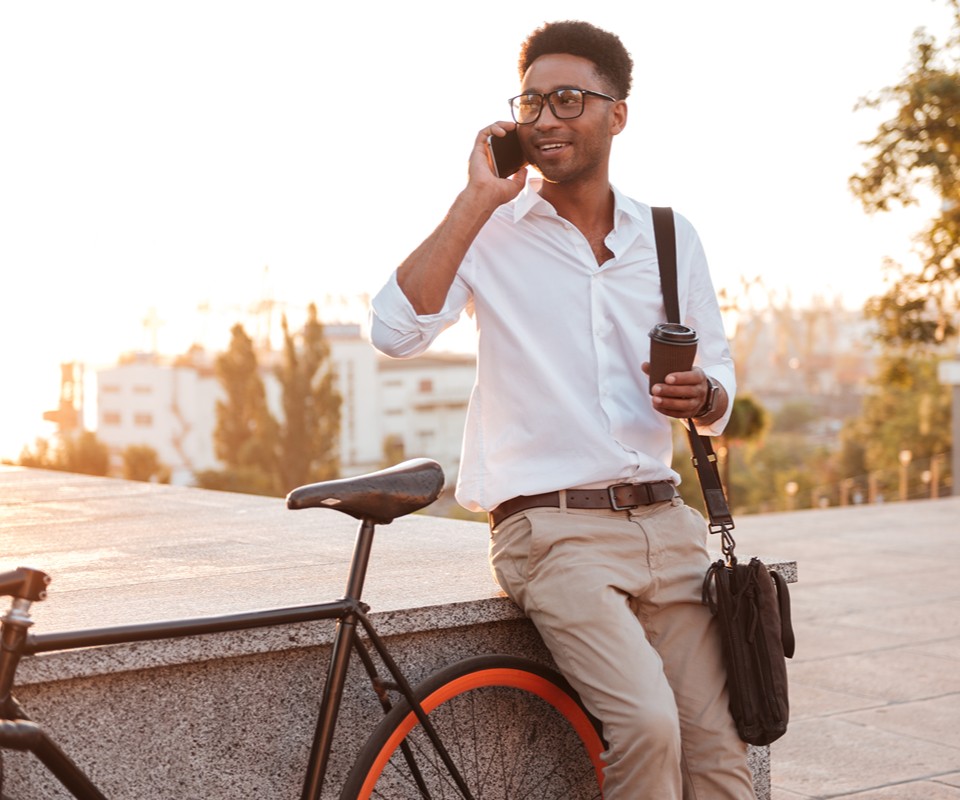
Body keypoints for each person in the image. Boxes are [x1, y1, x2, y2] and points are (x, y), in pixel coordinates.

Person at [369, 19, 754, 800]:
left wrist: (702, 395)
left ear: (617, 113)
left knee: (718, 751)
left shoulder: (670, 238)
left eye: (569, 99)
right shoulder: (491, 232)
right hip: (551, 529)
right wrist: (474, 199)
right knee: (648, 724)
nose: (546, 119)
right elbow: (394, 331)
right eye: (533, 101)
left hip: (664, 522)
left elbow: (718, 390)